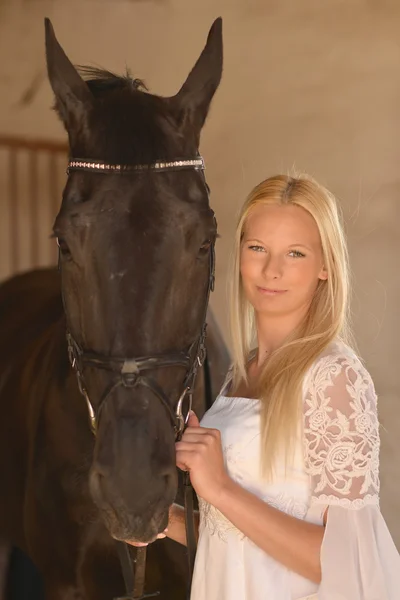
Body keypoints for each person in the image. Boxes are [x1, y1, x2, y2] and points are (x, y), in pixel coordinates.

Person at [167, 173, 400, 599]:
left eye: (295, 253)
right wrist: (163, 520)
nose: (271, 270)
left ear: (325, 266)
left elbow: (341, 560)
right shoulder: (240, 374)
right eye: (257, 248)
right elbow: (234, 538)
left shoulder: (335, 379)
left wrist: (219, 487)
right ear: (239, 254)